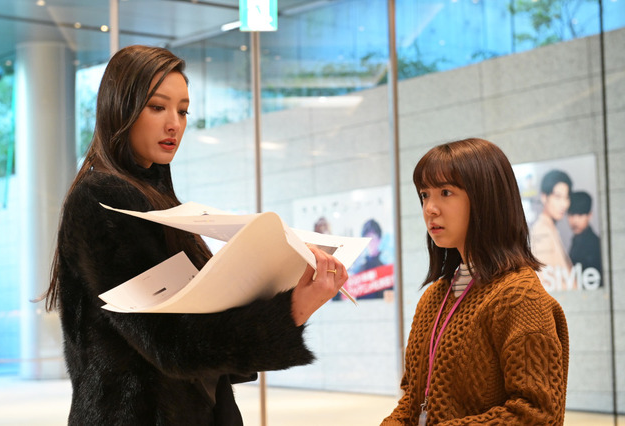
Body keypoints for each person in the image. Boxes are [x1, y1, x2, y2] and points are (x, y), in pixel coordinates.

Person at [43, 45, 348, 426]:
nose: (174, 124)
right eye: (158, 107)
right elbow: (170, 342)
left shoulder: (155, 200)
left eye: (183, 111)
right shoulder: (104, 198)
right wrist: (294, 309)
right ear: (119, 107)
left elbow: (193, 325)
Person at [381, 138, 569, 425]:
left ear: (485, 198)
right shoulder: (434, 297)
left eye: (445, 192)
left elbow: (536, 414)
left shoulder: (519, 298)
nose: (430, 208)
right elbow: (412, 399)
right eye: (424, 195)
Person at [529, 169, 575, 290]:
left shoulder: (550, 228)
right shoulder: (541, 232)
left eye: (566, 197)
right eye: (558, 197)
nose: (564, 204)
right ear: (544, 197)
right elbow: (544, 282)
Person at [568, 190, 602, 277]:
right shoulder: (576, 240)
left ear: (589, 215)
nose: (575, 221)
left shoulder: (595, 244)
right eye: (571, 214)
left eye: (580, 215)